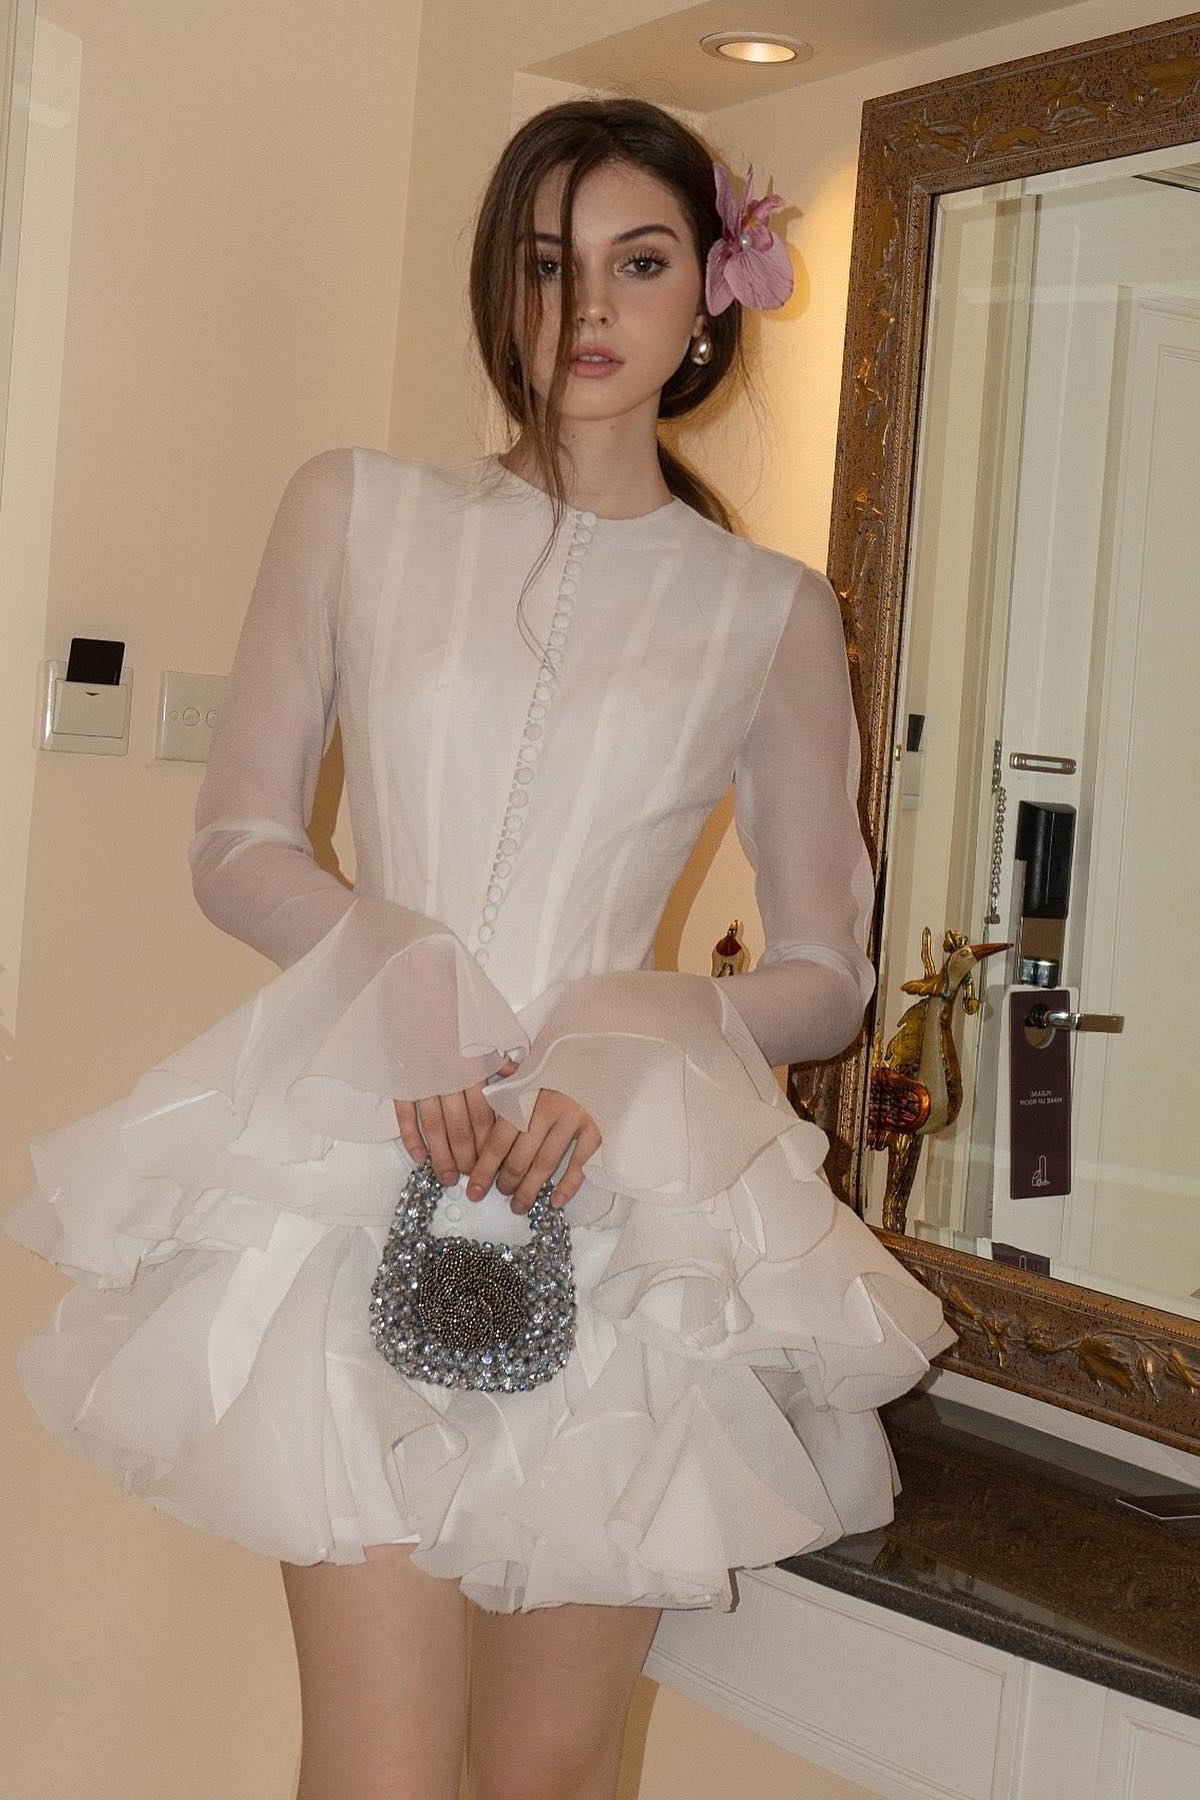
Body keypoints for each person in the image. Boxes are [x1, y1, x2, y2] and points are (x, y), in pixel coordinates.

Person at [7, 97, 956, 1800]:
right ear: (497, 288)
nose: (586, 308)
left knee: (548, 1775)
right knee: (374, 1773)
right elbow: (237, 843)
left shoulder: (766, 608)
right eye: (544, 264)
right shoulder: (354, 507)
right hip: (359, 1163)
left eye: (638, 263)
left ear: (708, 295)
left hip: (622, 1208)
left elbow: (825, 973)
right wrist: (409, 990)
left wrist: (626, 1030)